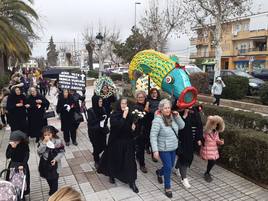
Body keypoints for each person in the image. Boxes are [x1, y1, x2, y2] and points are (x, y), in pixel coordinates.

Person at [98, 98, 139, 193]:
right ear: (119, 104)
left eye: (125, 103)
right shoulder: (114, 114)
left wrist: (133, 127)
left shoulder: (131, 114)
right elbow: (116, 127)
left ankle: (131, 181)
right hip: (117, 142)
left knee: (130, 162)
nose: (124, 105)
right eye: (122, 103)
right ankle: (112, 175)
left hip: (128, 142)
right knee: (115, 160)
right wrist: (123, 117)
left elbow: (133, 131)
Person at [150, 99, 185, 198]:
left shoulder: (173, 117)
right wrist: (155, 150)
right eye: (165, 108)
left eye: (169, 107)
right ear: (161, 109)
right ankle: (167, 187)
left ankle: (159, 172)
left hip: (173, 147)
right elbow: (153, 136)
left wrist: (178, 116)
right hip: (163, 148)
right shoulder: (157, 120)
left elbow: (182, 126)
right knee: (169, 168)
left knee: (169, 166)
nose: (167, 110)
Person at [173, 105, 203, 189]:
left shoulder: (196, 112)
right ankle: (184, 178)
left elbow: (200, 126)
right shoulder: (181, 111)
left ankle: (176, 168)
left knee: (185, 156)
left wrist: (199, 138)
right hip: (184, 140)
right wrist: (184, 115)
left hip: (193, 141)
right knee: (185, 158)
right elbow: (180, 126)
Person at [38, 126, 65, 195]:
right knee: (48, 179)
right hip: (45, 164)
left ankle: (53, 194)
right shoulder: (41, 141)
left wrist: (55, 159)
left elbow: (62, 152)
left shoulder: (58, 141)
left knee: (55, 179)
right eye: (45, 135)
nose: (47, 136)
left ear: (52, 134)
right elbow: (39, 152)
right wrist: (44, 143)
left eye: (48, 134)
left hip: (55, 165)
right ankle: (52, 190)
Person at [200, 115, 225, 183]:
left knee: (213, 161)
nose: (216, 126)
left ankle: (207, 172)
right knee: (212, 161)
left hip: (213, 148)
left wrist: (220, 142)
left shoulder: (216, 131)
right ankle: (207, 173)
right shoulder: (206, 131)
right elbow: (202, 137)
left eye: (217, 124)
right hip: (207, 148)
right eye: (214, 124)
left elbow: (216, 139)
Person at [6, 130, 30, 195]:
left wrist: (23, 164)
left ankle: (22, 194)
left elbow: (26, 156)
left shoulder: (24, 145)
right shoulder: (10, 145)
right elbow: (7, 156)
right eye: (13, 141)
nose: (14, 142)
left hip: (22, 165)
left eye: (16, 141)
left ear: (20, 140)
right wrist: (12, 148)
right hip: (13, 164)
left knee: (23, 180)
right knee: (12, 180)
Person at [87, 94, 108, 169]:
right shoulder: (90, 111)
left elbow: (105, 119)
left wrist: (104, 122)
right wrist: (100, 120)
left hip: (102, 132)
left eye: (101, 101)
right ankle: (96, 160)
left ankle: (97, 154)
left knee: (103, 146)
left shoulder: (103, 109)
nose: (101, 103)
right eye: (99, 101)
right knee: (96, 147)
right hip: (94, 132)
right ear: (95, 102)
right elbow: (91, 123)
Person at [133, 90, 149, 173]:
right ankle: (142, 164)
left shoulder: (147, 104)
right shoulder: (136, 107)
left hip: (147, 129)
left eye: (142, 97)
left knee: (143, 146)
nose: (141, 98)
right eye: (139, 97)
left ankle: (138, 156)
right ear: (136, 98)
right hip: (140, 131)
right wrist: (145, 110)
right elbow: (140, 117)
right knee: (141, 147)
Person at [146, 88, 161, 161]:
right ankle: (148, 147)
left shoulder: (160, 101)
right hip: (150, 119)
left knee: (156, 135)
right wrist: (153, 111)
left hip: (157, 120)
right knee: (151, 134)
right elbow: (146, 109)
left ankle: (154, 151)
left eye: (155, 92)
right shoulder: (148, 101)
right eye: (152, 92)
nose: (154, 94)